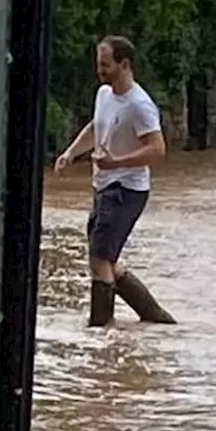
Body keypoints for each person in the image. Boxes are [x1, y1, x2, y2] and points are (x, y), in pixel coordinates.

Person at [54, 35, 177, 326]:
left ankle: (101, 329)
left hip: (126, 189)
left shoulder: (140, 105)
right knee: (106, 259)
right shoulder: (104, 95)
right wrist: (71, 153)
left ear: (124, 65)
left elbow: (157, 150)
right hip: (104, 185)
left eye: (105, 65)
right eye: (99, 65)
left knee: (99, 258)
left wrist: (115, 163)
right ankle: (155, 318)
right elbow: (97, 126)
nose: (100, 71)